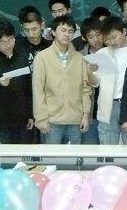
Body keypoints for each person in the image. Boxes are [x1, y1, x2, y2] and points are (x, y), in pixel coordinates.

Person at [32, 15, 92, 144]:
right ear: (54, 32)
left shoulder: (79, 58)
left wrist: (86, 115)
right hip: (51, 121)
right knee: (51, 157)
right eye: (63, 30)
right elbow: (38, 91)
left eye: (70, 31)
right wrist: (41, 118)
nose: (67, 34)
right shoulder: (42, 58)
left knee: (75, 157)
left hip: (75, 120)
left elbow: (85, 89)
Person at [88, 16, 127, 145]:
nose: (111, 42)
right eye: (107, 39)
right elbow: (95, 83)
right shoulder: (102, 53)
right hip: (109, 105)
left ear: (124, 31)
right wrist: (90, 72)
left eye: (114, 37)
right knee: (107, 148)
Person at [79, 16, 105, 145]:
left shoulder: (113, 52)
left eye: (98, 34)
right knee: (90, 149)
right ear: (84, 38)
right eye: (91, 36)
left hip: (110, 112)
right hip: (90, 113)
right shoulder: (80, 57)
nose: (96, 39)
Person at [14, 5, 52, 71]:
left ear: (42, 25)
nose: (31, 34)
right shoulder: (15, 45)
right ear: (22, 27)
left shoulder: (51, 45)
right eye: (27, 30)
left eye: (34, 29)